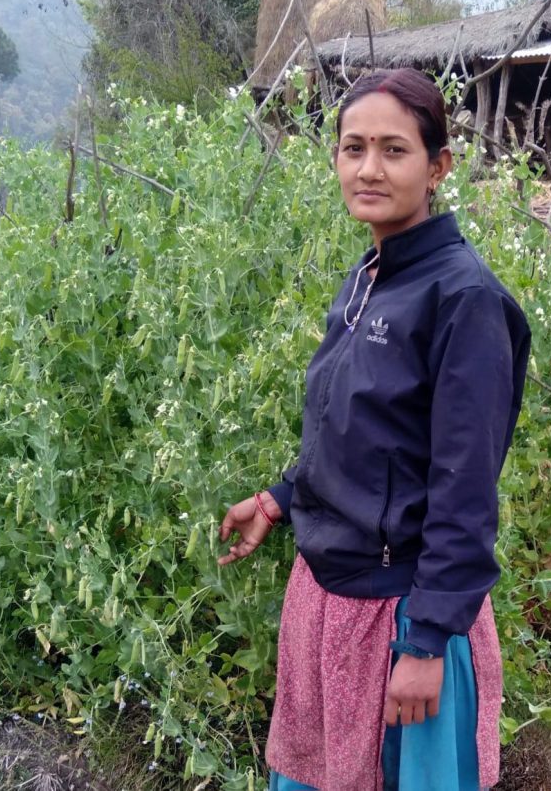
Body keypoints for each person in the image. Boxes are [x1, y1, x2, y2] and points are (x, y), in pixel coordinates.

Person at [218, 68, 531, 791]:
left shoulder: (464, 300)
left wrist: (425, 641)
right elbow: (352, 428)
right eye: (352, 147)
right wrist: (279, 498)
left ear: (438, 166)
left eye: (394, 149)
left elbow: (465, 488)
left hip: (396, 616)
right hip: (326, 596)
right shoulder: (369, 276)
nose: (368, 168)